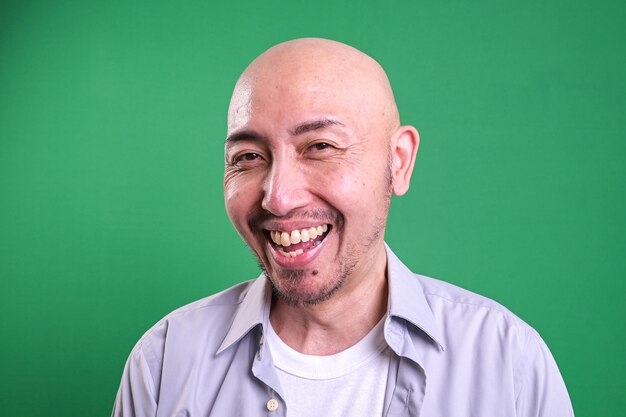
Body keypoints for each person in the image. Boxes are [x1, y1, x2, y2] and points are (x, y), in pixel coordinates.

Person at [112, 38, 574, 417]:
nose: (278, 196)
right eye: (248, 157)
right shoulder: (163, 365)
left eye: (320, 147)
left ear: (399, 162)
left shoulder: (510, 364)